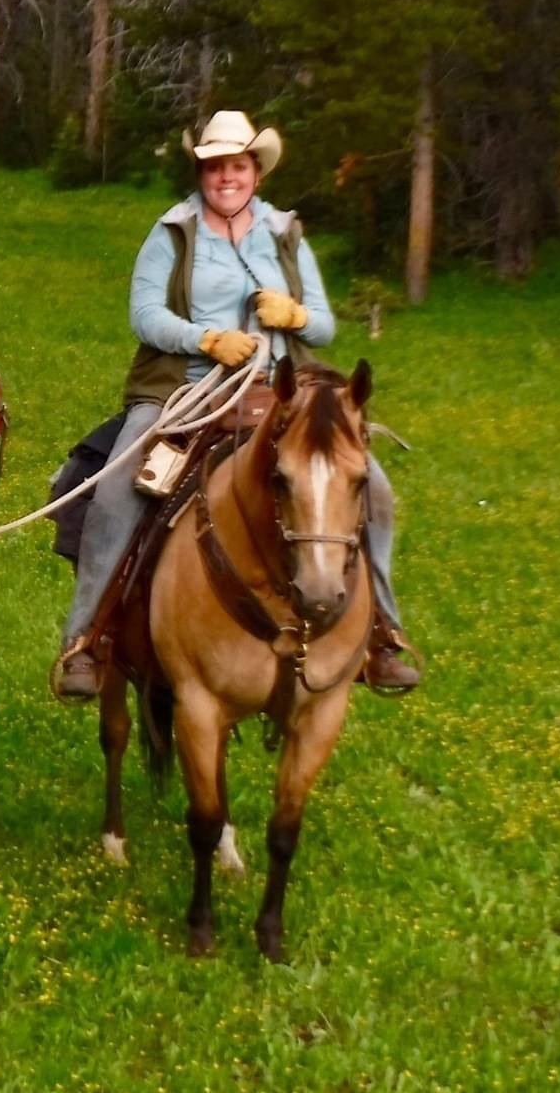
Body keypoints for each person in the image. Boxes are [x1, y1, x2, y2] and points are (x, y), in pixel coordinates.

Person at [53, 108, 421, 701]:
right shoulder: (172, 230)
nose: (228, 176)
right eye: (216, 166)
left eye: (239, 165)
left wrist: (294, 315)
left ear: (257, 171)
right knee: (119, 490)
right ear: (202, 172)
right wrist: (205, 338)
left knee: (372, 488)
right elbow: (145, 315)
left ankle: (383, 634)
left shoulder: (285, 233)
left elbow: (323, 326)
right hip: (186, 388)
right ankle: (85, 640)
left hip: (284, 393)